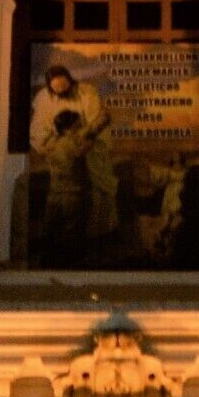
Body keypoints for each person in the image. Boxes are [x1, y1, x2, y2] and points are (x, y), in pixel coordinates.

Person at [28, 63, 119, 254]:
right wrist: (74, 137)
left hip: (86, 155)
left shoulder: (86, 93)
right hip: (69, 180)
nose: (62, 92)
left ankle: (94, 237)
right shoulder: (44, 99)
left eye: (64, 87)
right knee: (70, 223)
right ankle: (68, 251)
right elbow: (39, 133)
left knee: (99, 194)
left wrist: (88, 133)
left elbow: (97, 120)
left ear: (71, 81)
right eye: (57, 89)